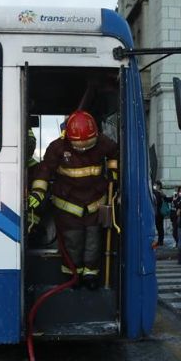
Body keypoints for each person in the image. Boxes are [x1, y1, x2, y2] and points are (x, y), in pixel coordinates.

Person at [28, 110, 118, 290]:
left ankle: (91, 276)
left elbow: (115, 153)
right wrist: (38, 192)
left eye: (88, 144)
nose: (83, 149)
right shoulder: (57, 148)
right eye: (79, 146)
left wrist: (114, 172)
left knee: (93, 242)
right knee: (73, 242)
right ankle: (72, 276)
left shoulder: (103, 143)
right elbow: (44, 171)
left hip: (95, 203)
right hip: (68, 205)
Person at [153, 180, 167, 246]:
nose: (154, 186)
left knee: (159, 227)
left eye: (155, 185)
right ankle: (160, 240)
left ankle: (160, 241)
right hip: (159, 212)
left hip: (158, 212)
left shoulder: (158, 193)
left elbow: (157, 202)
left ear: (158, 186)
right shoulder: (160, 192)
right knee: (160, 227)